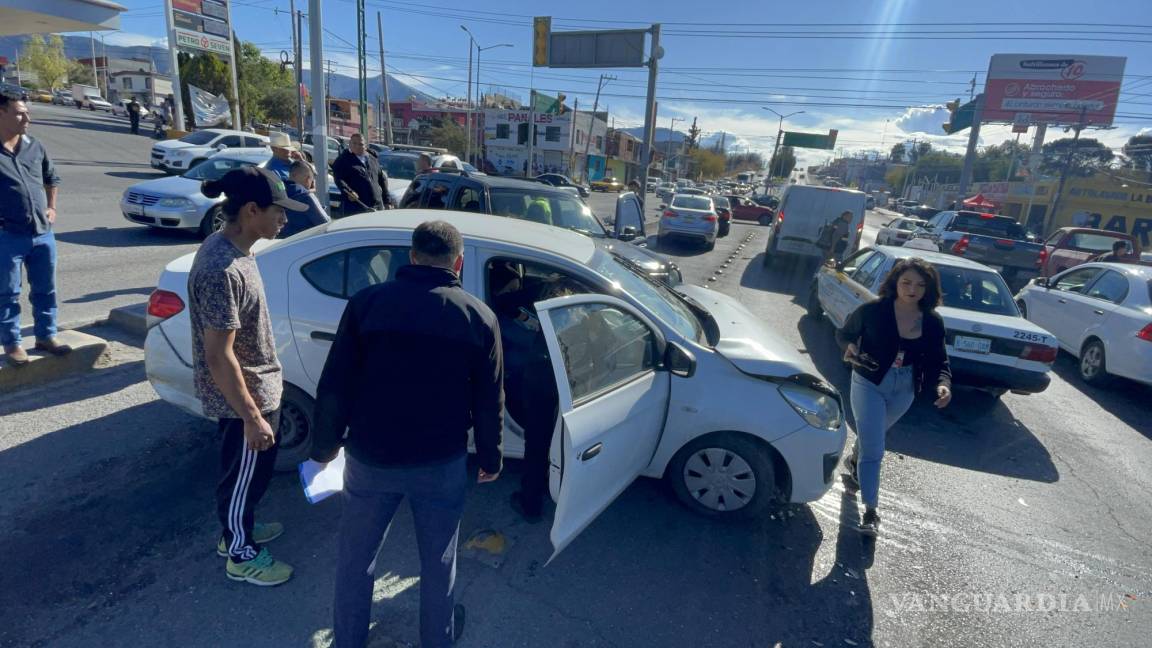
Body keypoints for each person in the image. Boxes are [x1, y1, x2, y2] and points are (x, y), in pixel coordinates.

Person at [311, 220, 503, 648]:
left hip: (369, 459)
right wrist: (491, 458)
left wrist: (323, 448)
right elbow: (490, 401)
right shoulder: (478, 316)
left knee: (356, 561)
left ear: (411, 257)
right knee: (438, 564)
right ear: (458, 262)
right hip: (440, 463)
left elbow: (336, 383)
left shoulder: (366, 304)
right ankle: (438, 640)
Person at [188, 166, 307, 585]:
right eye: (279, 211)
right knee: (240, 479)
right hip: (245, 400)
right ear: (253, 209)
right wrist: (251, 417)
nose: (285, 219)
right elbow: (219, 356)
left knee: (251, 477)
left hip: (260, 388)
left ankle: (239, 529)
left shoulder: (240, 251)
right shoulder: (221, 269)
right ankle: (239, 552)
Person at [836, 258, 952, 536]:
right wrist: (850, 346)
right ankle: (871, 512)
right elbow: (845, 334)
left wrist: (943, 384)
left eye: (920, 285)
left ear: (929, 289)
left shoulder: (933, 321)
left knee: (869, 439)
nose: (912, 289)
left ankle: (854, 463)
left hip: (905, 387)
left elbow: (940, 359)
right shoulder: (873, 310)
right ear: (895, 283)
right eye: (906, 282)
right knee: (875, 450)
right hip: (869, 381)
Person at [0, 89, 70, 367]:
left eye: (27, 111)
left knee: (46, 289)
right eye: (19, 112)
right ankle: (12, 343)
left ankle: (46, 336)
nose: (27, 117)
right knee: (7, 293)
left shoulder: (34, 146)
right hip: (8, 236)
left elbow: (51, 178)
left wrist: (51, 207)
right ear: (1, 113)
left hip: (42, 234)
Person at [332, 132, 392, 215]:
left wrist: (387, 201)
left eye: (360, 144)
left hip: (377, 206)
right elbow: (339, 179)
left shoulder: (372, 159)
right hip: (357, 207)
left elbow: (382, 180)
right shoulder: (343, 160)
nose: (357, 146)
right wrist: (349, 191)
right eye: (354, 143)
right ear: (349, 144)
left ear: (365, 145)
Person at [278, 160, 331, 238]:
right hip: (305, 243)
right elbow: (326, 225)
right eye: (312, 180)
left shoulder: (277, 192)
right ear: (308, 179)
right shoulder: (306, 196)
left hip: (279, 244)